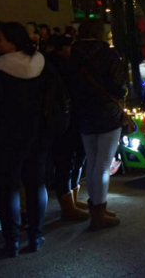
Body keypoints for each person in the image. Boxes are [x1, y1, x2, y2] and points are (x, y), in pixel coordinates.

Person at [0, 22, 66, 257]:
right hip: (38, 135)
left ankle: (11, 242)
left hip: (6, 137)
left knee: (8, 189)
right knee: (35, 185)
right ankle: (36, 236)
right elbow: (57, 100)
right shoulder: (42, 64)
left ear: (11, 41)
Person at [68, 18, 126, 230]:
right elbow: (119, 84)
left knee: (91, 162)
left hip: (84, 113)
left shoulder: (73, 54)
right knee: (103, 165)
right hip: (107, 113)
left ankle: (96, 207)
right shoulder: (108, 54)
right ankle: (99, 212)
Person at [44, 34, 89, 222]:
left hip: (65, 120)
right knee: (67, 163)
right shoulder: (63, 66)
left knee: (70, 161)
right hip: (67, 120)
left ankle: (71, 200)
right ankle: (68, 205)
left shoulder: (51, 65)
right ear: (62, 48)